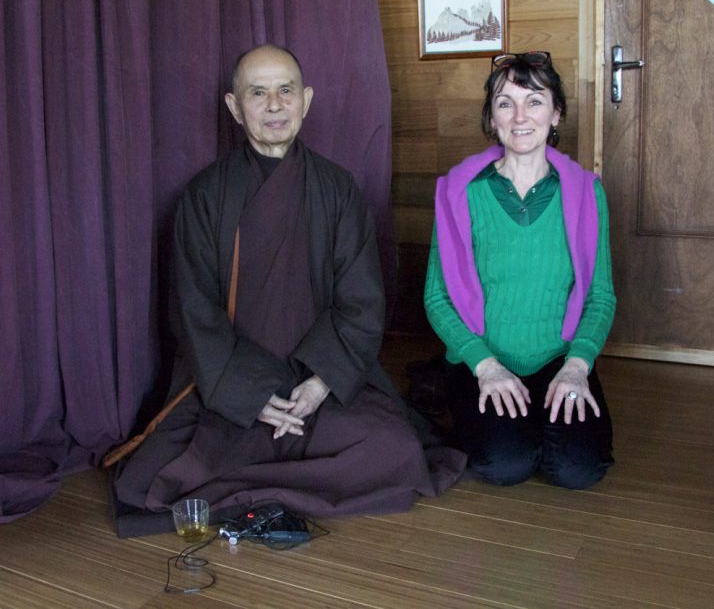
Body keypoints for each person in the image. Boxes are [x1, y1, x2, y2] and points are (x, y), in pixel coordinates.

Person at [112, 44, 463, 530]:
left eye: (286, 90)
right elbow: (194, 313)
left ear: (307, 100)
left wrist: (320, 383)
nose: (275, 104)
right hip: (233, 384)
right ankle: (280, 470)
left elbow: (361, 303)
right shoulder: (205, 197)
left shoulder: (339, 191)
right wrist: (252, 395)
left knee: (396, 449)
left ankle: (266, 474)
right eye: (258, 93)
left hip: (317, 382)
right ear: (235, 107)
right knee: (164, 474)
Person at [424, 51, 616, 490]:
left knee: (579, 470)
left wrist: (578, 366)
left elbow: (601, 296)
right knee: (504, 466)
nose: (520, 116)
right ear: (491, 120)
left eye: (534, 100)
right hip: (484, 359)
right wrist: (485, 365)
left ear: (556, 113)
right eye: (505, 103)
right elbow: (437, 298)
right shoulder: (460, 194)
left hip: (559, 358)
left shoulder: (588, 194)